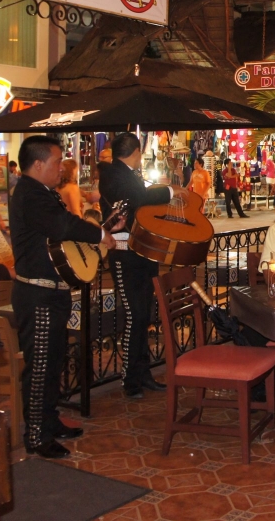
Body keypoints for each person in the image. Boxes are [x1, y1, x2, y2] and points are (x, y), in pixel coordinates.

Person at [10, 135, 117, 459]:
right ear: (39, 164)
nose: (61, 168)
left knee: (54, 362)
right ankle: (36, 436)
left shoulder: (42, 192)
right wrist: (99, 232)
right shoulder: (30, 194)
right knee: (40, 365)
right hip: (37, 293)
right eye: (57, 161)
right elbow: (61, 225)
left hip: (51, 290)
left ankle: (49, 420)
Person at [99, 132, 188, 399]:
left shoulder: (124, 173)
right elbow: (138, 197)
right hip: (125, 255)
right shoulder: (114, 174)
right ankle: (131, 379)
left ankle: (143, 372)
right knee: (134, 316)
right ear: (136, 152)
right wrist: (172, 190)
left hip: (142, 253)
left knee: (144, 314)